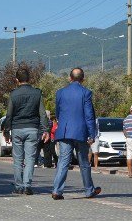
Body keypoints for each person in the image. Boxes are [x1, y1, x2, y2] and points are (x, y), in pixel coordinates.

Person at [51, 68, 101, 200]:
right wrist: (92, 135)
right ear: (83, 79)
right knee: (84, 162)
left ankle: (57, 190)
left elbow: (58, 112)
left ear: (70, 78)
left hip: (65, 131)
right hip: (81, 132)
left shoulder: (60, 92)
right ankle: (89, 190)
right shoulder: (86, 93)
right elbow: (89, 116)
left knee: (63, 161)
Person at [4, 67, 49, 195]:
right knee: (30, 159)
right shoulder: (37, 93)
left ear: (17, 80)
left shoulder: (13, 94)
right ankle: (27, 186)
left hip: (17, 129)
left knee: (17, 159)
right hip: (32, 129)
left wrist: (7, 130)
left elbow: (9, 115)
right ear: (29, 79)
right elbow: (42, 114)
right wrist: (45, 130)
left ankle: (18, 187)